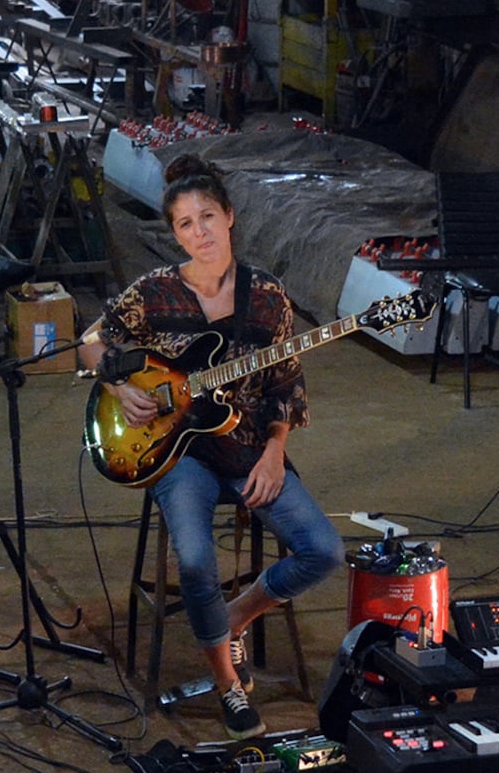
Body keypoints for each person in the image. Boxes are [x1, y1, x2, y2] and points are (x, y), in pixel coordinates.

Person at [81, 155, 342, 739]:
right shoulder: (154, 292)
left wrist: (276, 451)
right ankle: (229, 684)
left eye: (207, 217)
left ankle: (234, 616)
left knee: (323, 550)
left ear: (229, 217)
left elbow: (285, 384)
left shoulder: (268, 297)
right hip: (179, 453)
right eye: (184, 224)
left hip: (249, 445)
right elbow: (92, 342)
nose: (198, 232)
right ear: (174, 233)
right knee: (196, 559)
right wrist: (121, 388)